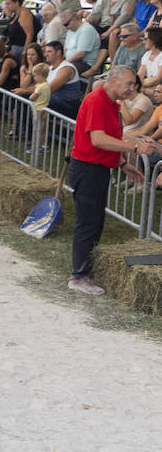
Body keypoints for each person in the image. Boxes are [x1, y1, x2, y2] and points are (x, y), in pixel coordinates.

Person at [67, 67, 156, 294]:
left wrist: (123, 164)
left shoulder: (112, 104)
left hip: (98, 168)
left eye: (133, 84)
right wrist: (134, 146)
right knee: (88, 223)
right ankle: (79, 275)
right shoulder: (97, 101)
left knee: (95, 222)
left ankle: (86, 270)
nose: (131, 88)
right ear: (113, 81)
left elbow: (111, 139)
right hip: (88, 168)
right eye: (128, 84)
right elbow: (98, 139)